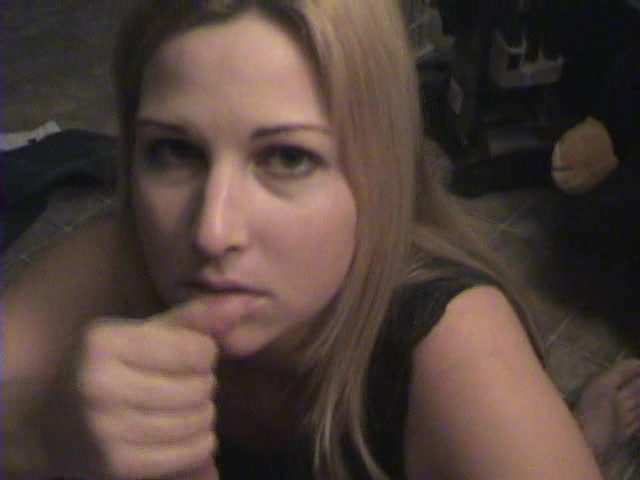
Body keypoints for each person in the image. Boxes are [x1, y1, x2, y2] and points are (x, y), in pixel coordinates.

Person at [0, 1, 614, 479]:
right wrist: (42, 439)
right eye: (174, 150)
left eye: (288, 158)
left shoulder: (461, 348)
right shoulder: (118, 257)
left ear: (380, 174)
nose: (212, 231)